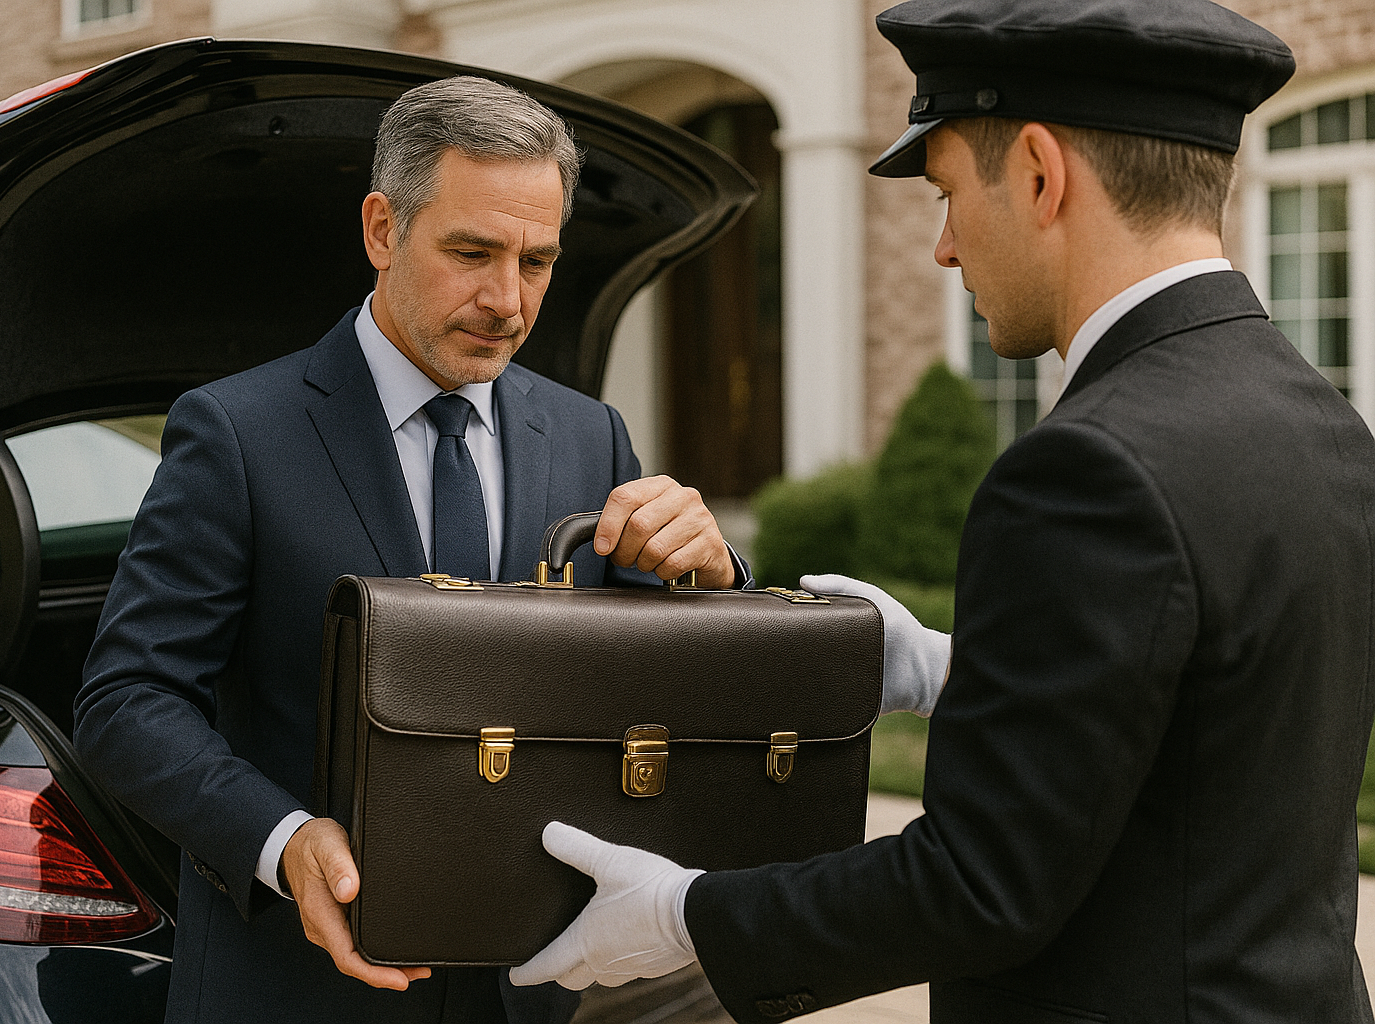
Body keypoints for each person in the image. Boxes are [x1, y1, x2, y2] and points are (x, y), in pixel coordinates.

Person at [510, 1, 1375, 1021]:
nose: (944, 248)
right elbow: (1218, 726)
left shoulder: (1088, 467)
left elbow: (981, 884)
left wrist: (682, 913)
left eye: (951, 193)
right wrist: (956, 667)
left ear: (1044, 175)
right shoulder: (1325, 423)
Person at [73, 75, 749, 1024]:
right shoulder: (234, 432)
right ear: (383, 230)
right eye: (471, 251)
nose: (507, 300)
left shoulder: (592, 434)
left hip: (530, 992)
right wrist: (283, 840)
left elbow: (657, 682)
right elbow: (125, 701)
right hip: (295, 990)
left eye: (538, 261)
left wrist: (716, 578)